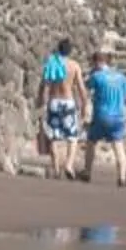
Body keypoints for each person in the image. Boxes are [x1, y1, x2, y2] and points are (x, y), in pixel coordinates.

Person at [79, 47, 126, 187]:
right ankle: (122, 177)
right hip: (118, 116)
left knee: (91, 142)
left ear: (96, 63)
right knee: (118, 146)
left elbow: (86, 89)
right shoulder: (122, 77)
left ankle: (87, 171)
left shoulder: (97, 76)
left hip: (102, 114)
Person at [36, 37, 81, 179]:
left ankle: (56, 169)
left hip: (54, 102)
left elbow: (44, 85)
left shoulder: (51, 64)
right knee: (72, 137)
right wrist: (85, 104)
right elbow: (81, 88)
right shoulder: (74, 66)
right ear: (70, 51)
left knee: (54, 137)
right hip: (68, 102)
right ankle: (68, 164)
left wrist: (41, 101)